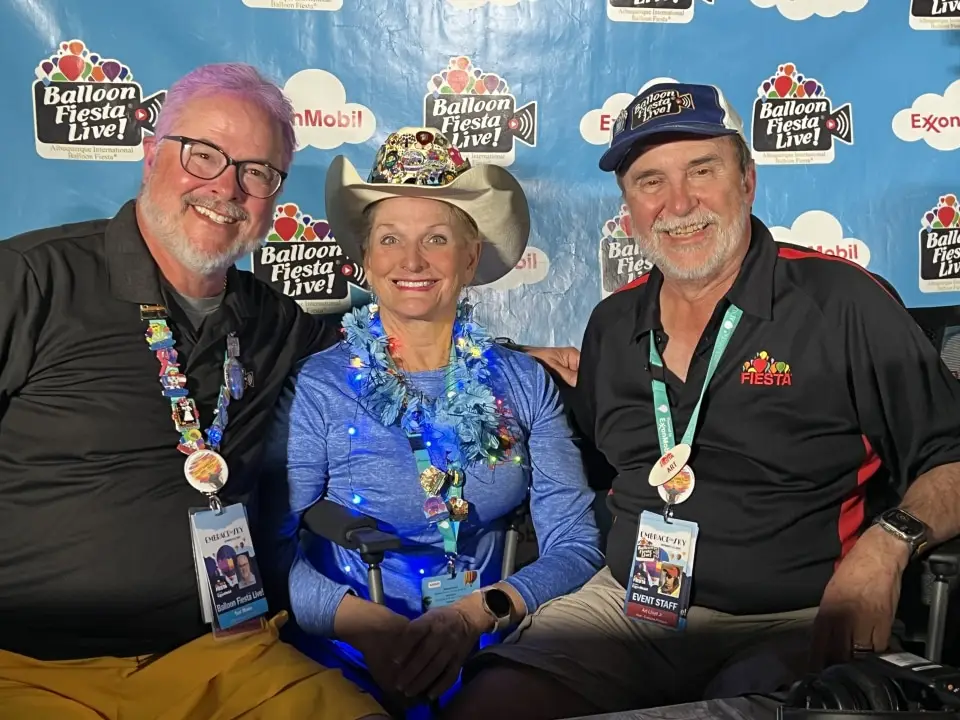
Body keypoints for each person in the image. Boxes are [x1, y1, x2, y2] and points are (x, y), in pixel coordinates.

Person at [0, 62, 575, 720]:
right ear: (151, 153)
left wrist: (516, 357)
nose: (226, 186)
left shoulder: (267, 318)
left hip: (223, 654)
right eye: (203, 154)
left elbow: (406, 338)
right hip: (31, 668)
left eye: (256, 171)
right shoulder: (29, 281)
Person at [447, 81, 960, 719]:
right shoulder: (613, 323)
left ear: (747, 180)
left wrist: (887, 546)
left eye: (702, 170)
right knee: (487, 705)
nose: (679, 202)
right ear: (628, 206)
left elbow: (952, 457)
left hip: (793, 619)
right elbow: (596, 462)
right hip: (630, 606)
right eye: (650, 181)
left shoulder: (842, 302)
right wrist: (509, 361)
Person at [259, 127, 604, 712]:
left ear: (470, 257)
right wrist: (368, 627)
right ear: (365, 259)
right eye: (390, 238)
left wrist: (483, 611)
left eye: (436, 239)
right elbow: (268, 551)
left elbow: (574, 541)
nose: (412, 260)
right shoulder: (319, 387)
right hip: (347, 651)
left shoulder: (523, 382)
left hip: (487, 642)